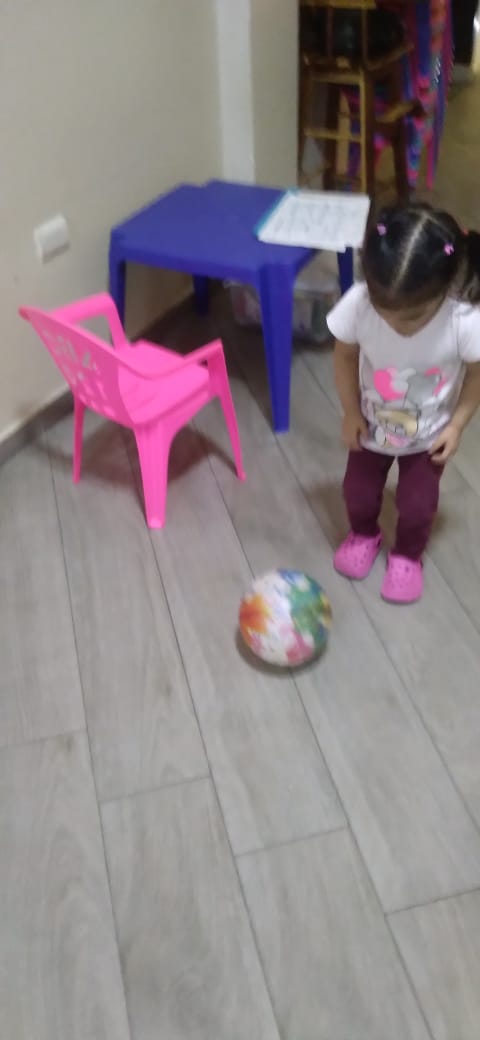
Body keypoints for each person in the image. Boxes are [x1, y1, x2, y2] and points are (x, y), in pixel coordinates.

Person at [326, 202, 480, 603]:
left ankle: (408, 555)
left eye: (411, 317)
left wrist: (457, 425)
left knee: (418, 505)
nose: (395, 324)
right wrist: (350, 411)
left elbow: (477, 375)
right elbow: (344, 356)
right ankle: (364, 534)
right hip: (370, 427)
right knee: (356, 492)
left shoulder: (463, 321)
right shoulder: (359, 303)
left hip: (429, 438)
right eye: (385, 311)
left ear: (445, 288)